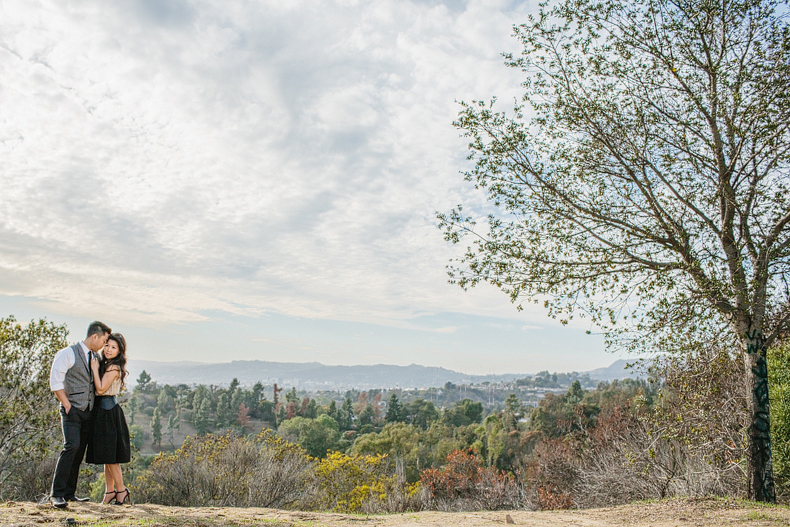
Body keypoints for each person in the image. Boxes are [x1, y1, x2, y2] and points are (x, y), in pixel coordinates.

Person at [49, 321, 112, 508]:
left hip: (88, 412)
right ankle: (56, 494)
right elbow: (56, 381)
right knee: (71, 447)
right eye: (104, 340)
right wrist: (67, 404)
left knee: (79, 452)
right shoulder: (68, 353)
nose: (104, 345)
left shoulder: (96, 357)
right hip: (72, 410)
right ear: (95, 336)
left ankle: (69, 494)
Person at [87, 333, 132, 505]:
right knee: (107, 457)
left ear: (119, 351)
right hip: (102, 411)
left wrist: (93, 368)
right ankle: (109, 491)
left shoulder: (113, 368)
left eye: (113, 347)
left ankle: (121, 491)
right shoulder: (107, 364)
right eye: (107, 345)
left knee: (112, 458)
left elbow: (100, 389)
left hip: (108, 411)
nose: (108, 350)